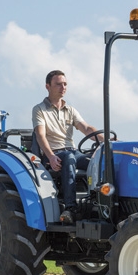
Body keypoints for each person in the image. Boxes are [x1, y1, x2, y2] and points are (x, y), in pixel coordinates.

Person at [31, 70, 101, 225]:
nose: (63, 87)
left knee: (98, 160)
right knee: (69, 158)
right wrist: (50, 156)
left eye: (65, 84)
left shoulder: (70, 110)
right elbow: (40, 135)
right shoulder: (39, 109)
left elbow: (86, 128)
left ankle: (99, 203)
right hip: (54, 154)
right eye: (58, 84)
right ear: (47, 86)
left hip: (73, 152)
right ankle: (70, 208)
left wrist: (109, 140)